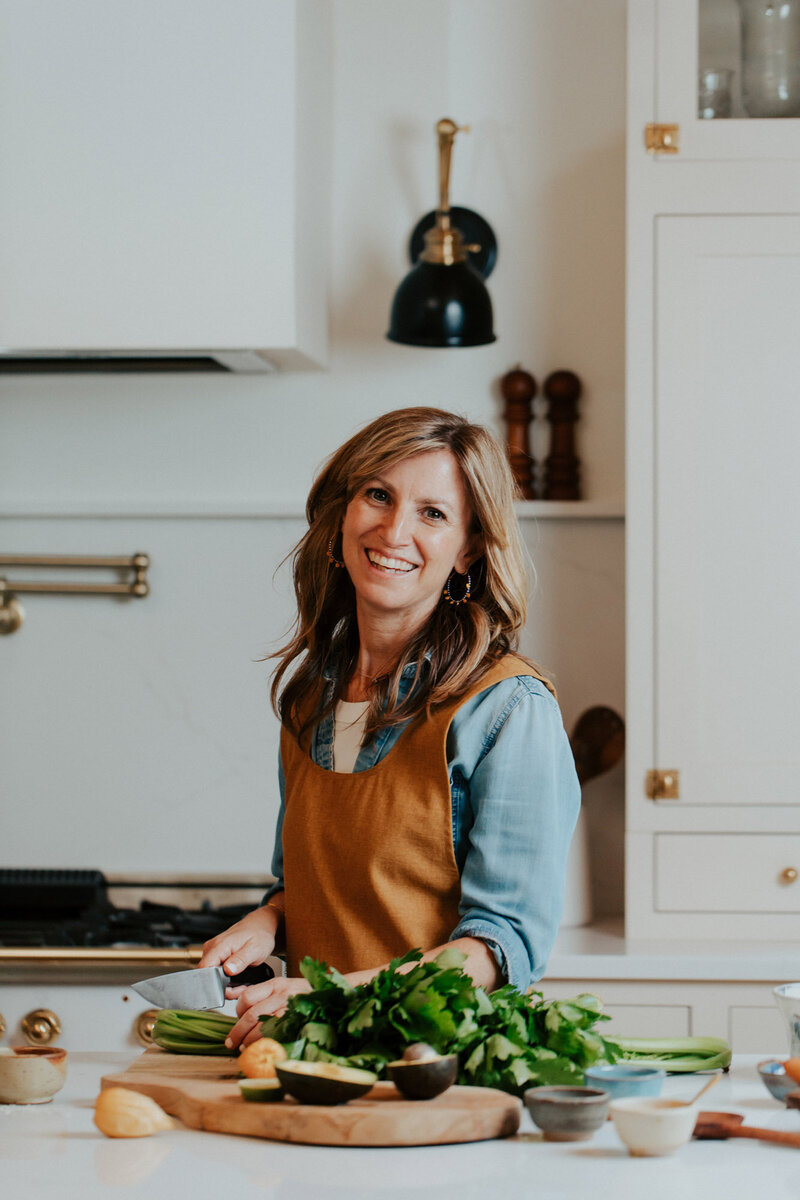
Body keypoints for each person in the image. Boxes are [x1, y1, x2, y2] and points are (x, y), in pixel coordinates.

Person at [199, 407, 580, 1048]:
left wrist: (329, 996)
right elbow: (318, 889)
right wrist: (268, 921)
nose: (394, 529)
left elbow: (500, 947)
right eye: (378, 495)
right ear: (342, 515)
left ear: (468, 551)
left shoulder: (509, 708)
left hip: (440, 1072)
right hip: (313, 1061)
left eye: (433, 514)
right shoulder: (309, 699)